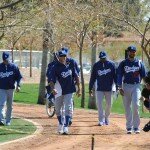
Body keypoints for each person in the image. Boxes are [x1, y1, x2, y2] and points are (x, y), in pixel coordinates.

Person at [48, 49, 81, 134]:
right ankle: (60, 123)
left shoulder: (71, 64)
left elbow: (76, 76)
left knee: (68, 108)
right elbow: (51, 80)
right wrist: (53, 89)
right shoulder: (55, 67)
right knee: (58, 109)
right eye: (61, 56)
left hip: (69, 89)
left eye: (64, 56)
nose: (63, 58)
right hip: (58, 90)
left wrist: (79, 88)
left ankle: (66, 126)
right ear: (58, 57)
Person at [117, 45, 146, 134]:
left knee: (135, 105)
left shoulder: (139, 62)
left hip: (136, 86)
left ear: (135, 53)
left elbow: (144, 76)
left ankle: (136, 127)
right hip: (125, 86)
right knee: (127, 107)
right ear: (128, 52)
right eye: (130, 51)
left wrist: (146, 87)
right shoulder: (123, 63)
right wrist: (119, 87)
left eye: (134, 51)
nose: (132, 53)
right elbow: (119, 75)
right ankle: (129, 127)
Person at [89, 51, 117, 126]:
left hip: (109, 88)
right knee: (99, 104)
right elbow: (92, 77)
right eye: (101, 58)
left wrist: (117, 86)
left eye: (104, 58)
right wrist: (90, 88)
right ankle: (101, 120)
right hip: (99, 88)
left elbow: (115, 76)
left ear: (106, 57)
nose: (102, 59)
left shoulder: (111, 64)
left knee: (109, 104)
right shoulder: (96, 65)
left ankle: (106, 117)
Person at [0, 52, 22, 126]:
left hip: (11, 89)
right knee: (2, 104)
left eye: (6, 59)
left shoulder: (14, 67)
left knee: (9, 105)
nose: (5, 61)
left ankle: (8, 120)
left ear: (9, 58)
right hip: (2, 88)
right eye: (4, 59)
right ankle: (1, 120)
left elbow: (19, 77)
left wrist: (18, 85)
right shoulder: (0, 66)